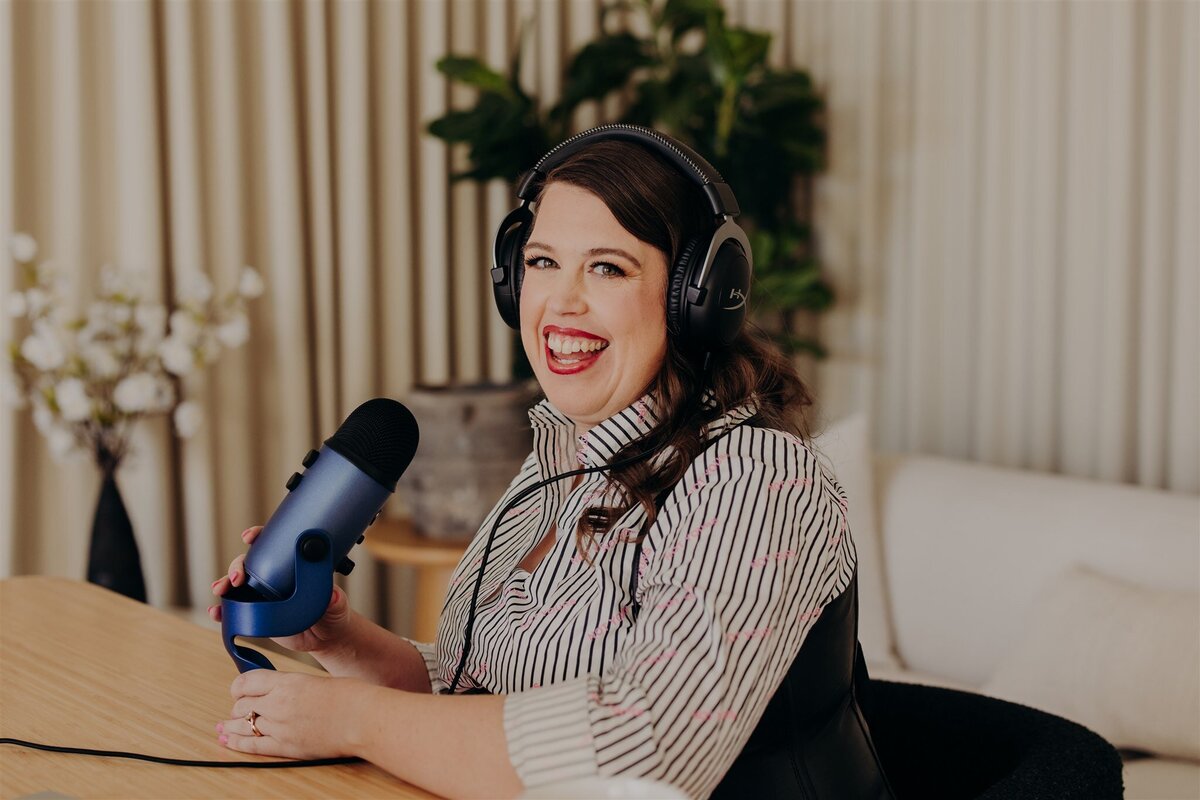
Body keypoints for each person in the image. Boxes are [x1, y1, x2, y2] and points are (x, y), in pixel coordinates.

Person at [208, 126, 892, 799]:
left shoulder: (759, 478)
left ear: (697, 298)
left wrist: (352, 721)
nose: (561, 302)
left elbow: (638, 754)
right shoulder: (559, 460)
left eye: (607, 267)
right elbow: (479, 695)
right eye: (541, 262)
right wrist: (341, 639)